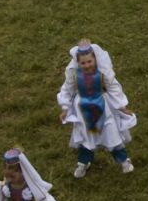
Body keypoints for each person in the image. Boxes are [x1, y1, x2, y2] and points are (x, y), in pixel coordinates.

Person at [57, 40, 137, 177]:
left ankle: (124, 161)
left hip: (103, 109)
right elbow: (67, 89)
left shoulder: (102, 73)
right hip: (83, 111)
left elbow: (114, 88)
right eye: (83, 63)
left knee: (111, 134)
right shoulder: (74, 74)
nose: (87, 65)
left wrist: (122, 107)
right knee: (85, 137)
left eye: (89, 62)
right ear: (78, 63)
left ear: (95, 59)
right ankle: (83, 162)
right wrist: (65, 107)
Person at [0, 148, 67, 201]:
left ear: (24, 172)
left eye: (16, 171)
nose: (9, 173)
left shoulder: (32, 188)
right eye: (6, 169)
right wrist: (4, 191)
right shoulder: (4, 187)